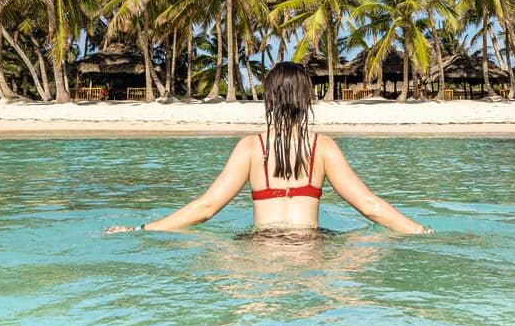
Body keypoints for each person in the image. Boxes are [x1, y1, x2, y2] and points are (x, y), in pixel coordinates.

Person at [130, 62, 428, 235]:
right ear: (306, 98)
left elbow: (206, 208)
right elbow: (370, 207)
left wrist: (145, 229)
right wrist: (420, 231)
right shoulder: (322, 147)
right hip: (311, 249)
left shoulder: (250, 147)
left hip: (262, 249)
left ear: (269, 97)